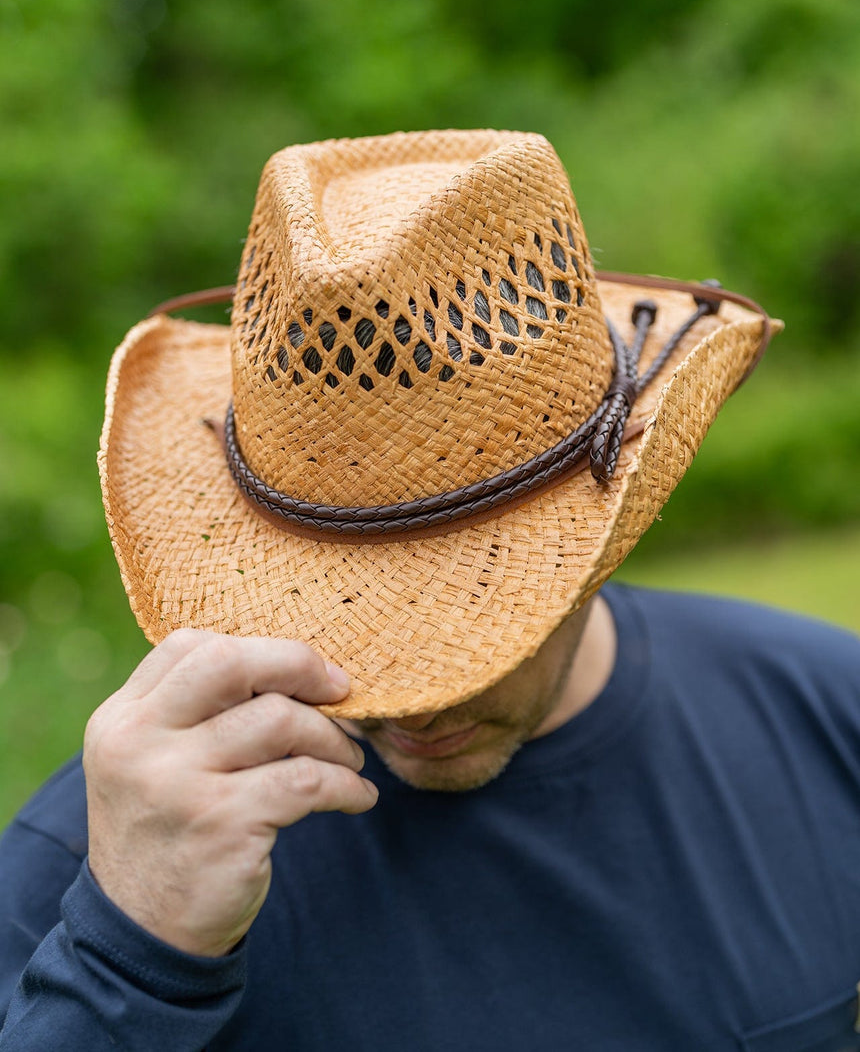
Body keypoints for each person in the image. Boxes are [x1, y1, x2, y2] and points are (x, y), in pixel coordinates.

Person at [1, 130, 859, 1051]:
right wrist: (133, 965)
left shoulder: (825, 713)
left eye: (480, 601)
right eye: (339, 603)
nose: (416, 689)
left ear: (605, 527)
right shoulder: (109, 861)